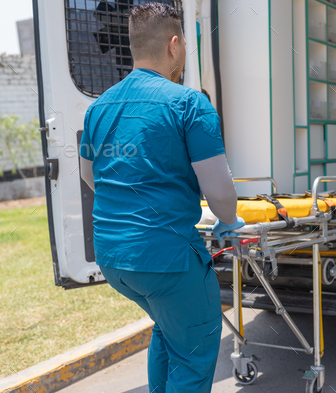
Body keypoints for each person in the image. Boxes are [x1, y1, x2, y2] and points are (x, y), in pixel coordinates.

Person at [78, 3, 245, 392]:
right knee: (195, 349)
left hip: (114, 258)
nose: (184, 50)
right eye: (184, 42)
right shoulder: (189, 104)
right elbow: (220, 192)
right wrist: (229, 220)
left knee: (170, 331)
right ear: (174, 45)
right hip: (166, 260)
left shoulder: (99, 106)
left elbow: (89, 175)